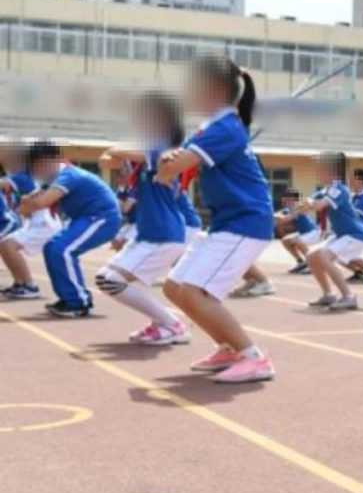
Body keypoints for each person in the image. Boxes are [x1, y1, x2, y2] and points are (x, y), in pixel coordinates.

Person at [157, 55, 276, 384]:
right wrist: (170, 159)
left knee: (196, 292)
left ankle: (254, 357)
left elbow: (176, 166)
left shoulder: (225, 127)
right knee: (176, 287)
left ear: (215, 89)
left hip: (245, 222)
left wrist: (168, 163)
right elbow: (176, 158)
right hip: (227, 221)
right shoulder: (212, 127)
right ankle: (228, 347)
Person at [96, 91, 190, 344]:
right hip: (148, 233)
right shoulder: (140, 159)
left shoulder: (165, 151)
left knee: (110, 280)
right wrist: (118, 154)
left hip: (164, 234)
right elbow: (105, 161)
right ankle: (163, 323)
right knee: (111, 279)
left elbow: (119, 153)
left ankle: (172, 324)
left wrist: (118, 151)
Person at [16, 143, 121, 317]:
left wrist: (28, 202)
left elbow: (40, 203)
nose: (36, 172)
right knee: (51, 247)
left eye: (38, 166)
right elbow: (29, 206)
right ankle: (68, 297)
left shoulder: (68, 175)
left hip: (101, 218)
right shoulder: (54, 179)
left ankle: (78, 302)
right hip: (85, 219)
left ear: (52, 161)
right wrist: (28, 202)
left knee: (62, 249)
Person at [302, 152, 363, 311]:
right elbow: (307, 203)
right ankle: (328, 295)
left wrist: (310, 203)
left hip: (355, 234)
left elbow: (317, 205)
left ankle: (348, 297)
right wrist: (308, 203)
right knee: (311, 256)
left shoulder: (340, 189)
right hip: (341, 235)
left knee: (325, 256)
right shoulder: (326, 190)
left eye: (320, 167)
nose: (317, 171)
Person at [0, 151, 61, 299]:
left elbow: (3, 184)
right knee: (5, 245)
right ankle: (20, 283)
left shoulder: (22, 175)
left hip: (44, 222)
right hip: (38, 221)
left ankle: (29, 285)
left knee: (8, 246)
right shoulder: (28, 175)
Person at [277, 187, 320, 273]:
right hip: (304, 234)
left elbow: (285, 219)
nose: (288, 200)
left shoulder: (298, 207)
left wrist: (276, 216)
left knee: (298, 241)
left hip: (314, 233)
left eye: (291, 198)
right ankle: (301, 262)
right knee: (286, 240)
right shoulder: (288, 209)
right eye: (286, 198)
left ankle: (313, 264)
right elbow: (279, 215)